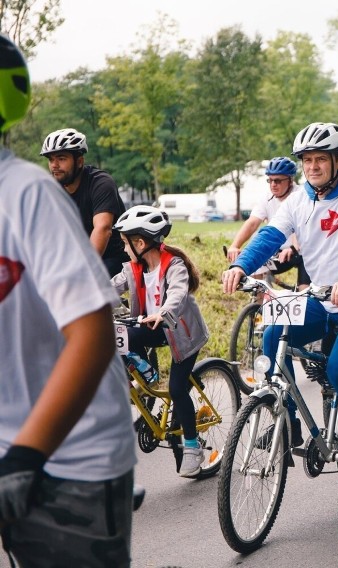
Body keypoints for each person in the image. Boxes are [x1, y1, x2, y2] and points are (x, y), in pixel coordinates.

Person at [0, 35, 135, 566]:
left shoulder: (28, 194)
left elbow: (93, 328)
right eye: (53, 157)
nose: (59, 163)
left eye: (65, 156)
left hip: (68, 456)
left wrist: (26, 456)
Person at [222, 122, 338, 455]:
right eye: (307, 160)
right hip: (321, 300)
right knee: (272, 337)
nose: (313, 166)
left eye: (321, 159)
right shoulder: (297, 200)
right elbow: (270, 237)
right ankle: (291, 423)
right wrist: (241, 266)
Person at [111, 205, 211, 477]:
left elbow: (177, 295)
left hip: (181, 332)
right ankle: (145, 374)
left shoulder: (174, 265)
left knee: (178, 390)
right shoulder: (134, 268)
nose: (123, 249)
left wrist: (162, 313)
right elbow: (110, 286)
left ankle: (192, 447)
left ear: (140, 243)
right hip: (151, 326)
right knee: (118, 336)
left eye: (125, 243)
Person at [40, 127, 129, 277]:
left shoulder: (100, 183)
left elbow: (103, 229)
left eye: (61, 158)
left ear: (79, 161)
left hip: (113, 258)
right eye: (51, 159)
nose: (54, 165)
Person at [226, 156, 309, 287]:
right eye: (269, 180)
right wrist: (235, 246)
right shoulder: (267, 198)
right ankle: (259, 304)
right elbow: (252, 222)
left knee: (304, 293)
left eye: (277, 181)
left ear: (290, 180)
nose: (273, 185)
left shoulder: (301, 195)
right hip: (277, 252)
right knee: (255, 274)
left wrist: (293, 248)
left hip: (302, 251)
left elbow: (299, 225)